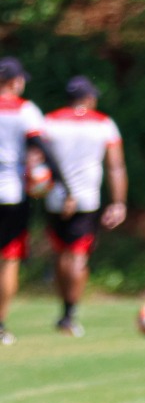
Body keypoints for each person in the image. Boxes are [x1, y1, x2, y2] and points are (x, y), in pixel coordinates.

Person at [40, 76, 128, 336]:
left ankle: (64, 309)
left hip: (55, 199)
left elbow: (37, 159)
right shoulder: (103, 124)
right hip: (87, 199)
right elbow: (116, 166)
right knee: (78, 255)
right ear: (89, 98)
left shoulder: (50, 121)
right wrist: (119, 202)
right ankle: (70, 313)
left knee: (61, 253)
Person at [0, 56, 69, 345]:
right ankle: (0, 324)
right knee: (9, 258)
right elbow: (41, 145)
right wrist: (62, 183)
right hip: (11, 192)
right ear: (15, 82)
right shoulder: (25, 110)